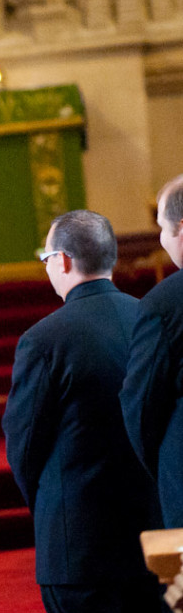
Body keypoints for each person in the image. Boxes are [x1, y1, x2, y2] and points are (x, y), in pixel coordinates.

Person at [3, 210, 183, 613]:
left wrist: (50, 510)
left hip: (77, 544)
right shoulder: (147, 316)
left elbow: (23, 445)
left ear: (61, 261)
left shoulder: (44, 339)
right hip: (151, 533)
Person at [122, 174, 183, 528]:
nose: (161, 239)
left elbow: (141, 407)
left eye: (162, 228)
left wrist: (163, 467)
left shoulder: (162, 304)